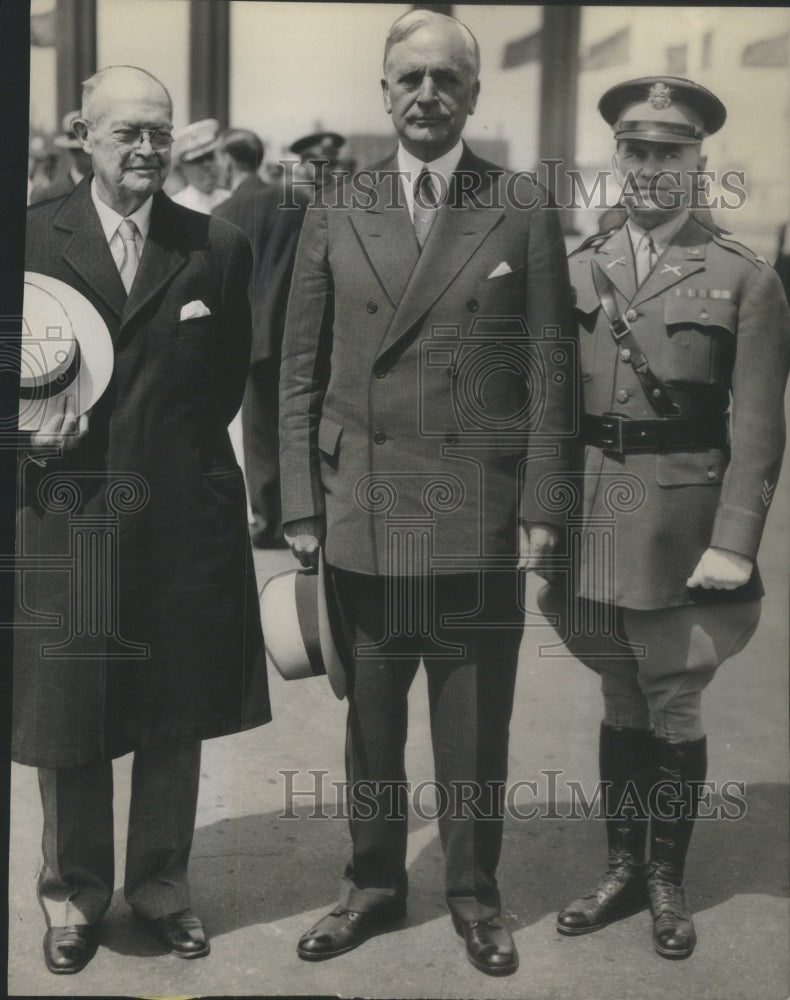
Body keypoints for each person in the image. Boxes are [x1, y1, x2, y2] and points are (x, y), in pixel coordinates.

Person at [278, 10, 576, 975]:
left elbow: (552, 371)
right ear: (384, 91)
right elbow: (298, 371)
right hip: (363, 507)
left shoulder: (520, 205)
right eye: (409, 77)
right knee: (370, 725)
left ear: (474, 95)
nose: (427, 94)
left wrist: (543, 506)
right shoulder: (336, 203)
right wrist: (299, 506)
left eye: (447, 78)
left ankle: (475, 895)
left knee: (474, 725)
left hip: (476, 512)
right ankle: (371, 884)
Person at [12, 65, 270, 975]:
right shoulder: (28, 236)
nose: (148, 149)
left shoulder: (217, 246)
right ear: (83, 135)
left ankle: (162, 888)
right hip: (66, 516)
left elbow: (224, 379)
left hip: (178, 521)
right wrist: (24, 437)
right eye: (128, 132)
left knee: (174, 709)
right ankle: (73, 897)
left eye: (160, 132)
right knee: (67, 715)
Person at [541, 76, 790, 959]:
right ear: (617, 158)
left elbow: (758, 430)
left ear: (698, 164)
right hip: (592, 517)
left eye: (670, 153)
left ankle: (665, 880)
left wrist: (735, 542)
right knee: (619, 692)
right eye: (637, 151)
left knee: (675, 698)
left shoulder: (743, 276)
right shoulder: (579, 266)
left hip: (683, 526)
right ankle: (620, 867)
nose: (651, 168)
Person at [29, 110, 93, 204]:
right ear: (73, 151)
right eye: (84, 151)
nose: (92, 155)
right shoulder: (49, 195)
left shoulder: (110, 191)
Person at [170, 118, 230, 214]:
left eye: (210, 156)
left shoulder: (229, 199)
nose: (206, 165)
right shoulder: (175, 207)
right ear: (182, 170)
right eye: (197, 160)